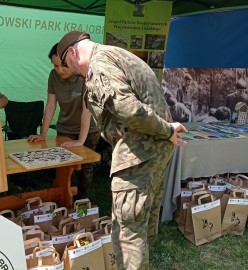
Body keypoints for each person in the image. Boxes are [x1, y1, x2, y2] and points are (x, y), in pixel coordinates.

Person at [57, 31, 187, 270]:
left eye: (66, 63)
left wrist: (167, 130)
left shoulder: (100, 64)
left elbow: (129, 110)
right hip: (153, 150)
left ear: (73, 52)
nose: (69, 70)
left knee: (128, 233)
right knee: (141, 222)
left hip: (139, 153)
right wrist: (166, 132)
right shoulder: (116, 55)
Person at [28, 43, 100, 199]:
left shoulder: (84, 75)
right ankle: (65, 199)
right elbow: (50, 107)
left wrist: (81, 140)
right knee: (65, 167)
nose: (59, 70)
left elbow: (86, 110)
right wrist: (43, 134)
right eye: (55, 66)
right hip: (65, 128)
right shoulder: (53, 76)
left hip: (88, 129)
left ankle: (82, 200)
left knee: (85, 166)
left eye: (63, 66)